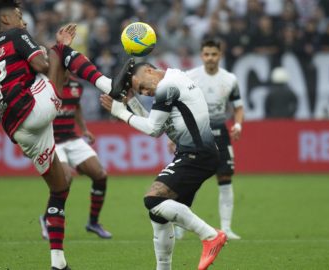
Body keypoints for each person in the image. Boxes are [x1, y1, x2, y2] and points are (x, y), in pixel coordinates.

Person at [0, 1, 120, 269]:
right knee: (59, 51)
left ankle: (58, 263)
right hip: (32, 109)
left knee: (60, 188)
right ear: (5, 20)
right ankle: (110, 85)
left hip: (18, 129)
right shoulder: (15, 34)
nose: (23, 21)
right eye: (19, 16)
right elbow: (42, 63)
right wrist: (58, 48)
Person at [100, 59, 227, 270]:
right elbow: (158, 128)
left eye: (142, 86)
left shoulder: (167, 86)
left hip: (196, 154)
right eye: (139, 91)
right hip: (196, 153)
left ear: (149, 70)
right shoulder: (174, 77)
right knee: (158, 213)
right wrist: (131, 104)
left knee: (153, 199)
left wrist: (120, 112)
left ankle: (210, 236)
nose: (144, 92)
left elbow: (152, 129)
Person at [179, 38, 244, 241]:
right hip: (194, 132)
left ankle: (226, 228)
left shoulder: (230, 79)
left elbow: (238, 106)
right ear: (201, 56)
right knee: (190, 180)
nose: (210, 58)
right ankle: (180, 226)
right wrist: (176, 134)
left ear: (220, 55)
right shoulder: (190, 77)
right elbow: (179, 106)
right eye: (206, 54)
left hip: (220, 131)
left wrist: (238, 124)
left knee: (225, 179)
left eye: (214, 54)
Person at [39, 73, 112, 240]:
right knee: (65, 180)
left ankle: (93, 222)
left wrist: (84, 129)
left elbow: (76, 106)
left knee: (100, 175)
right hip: (52, 141)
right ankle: (47, 219)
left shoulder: (76, 86)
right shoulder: (45, 85)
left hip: (72, 139)